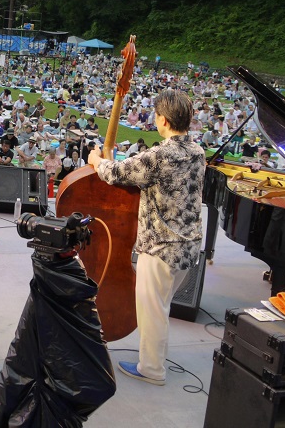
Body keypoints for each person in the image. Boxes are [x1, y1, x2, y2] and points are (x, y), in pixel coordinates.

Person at [88, 89, 204, 386]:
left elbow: (115, 173)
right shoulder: (198, 151)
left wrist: (95, 160)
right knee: (161, 306)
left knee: (153, 310)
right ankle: (154, 361)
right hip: (189, 247)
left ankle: (152, 369)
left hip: (161, 247)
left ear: (163, 120)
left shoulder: (159, 155)